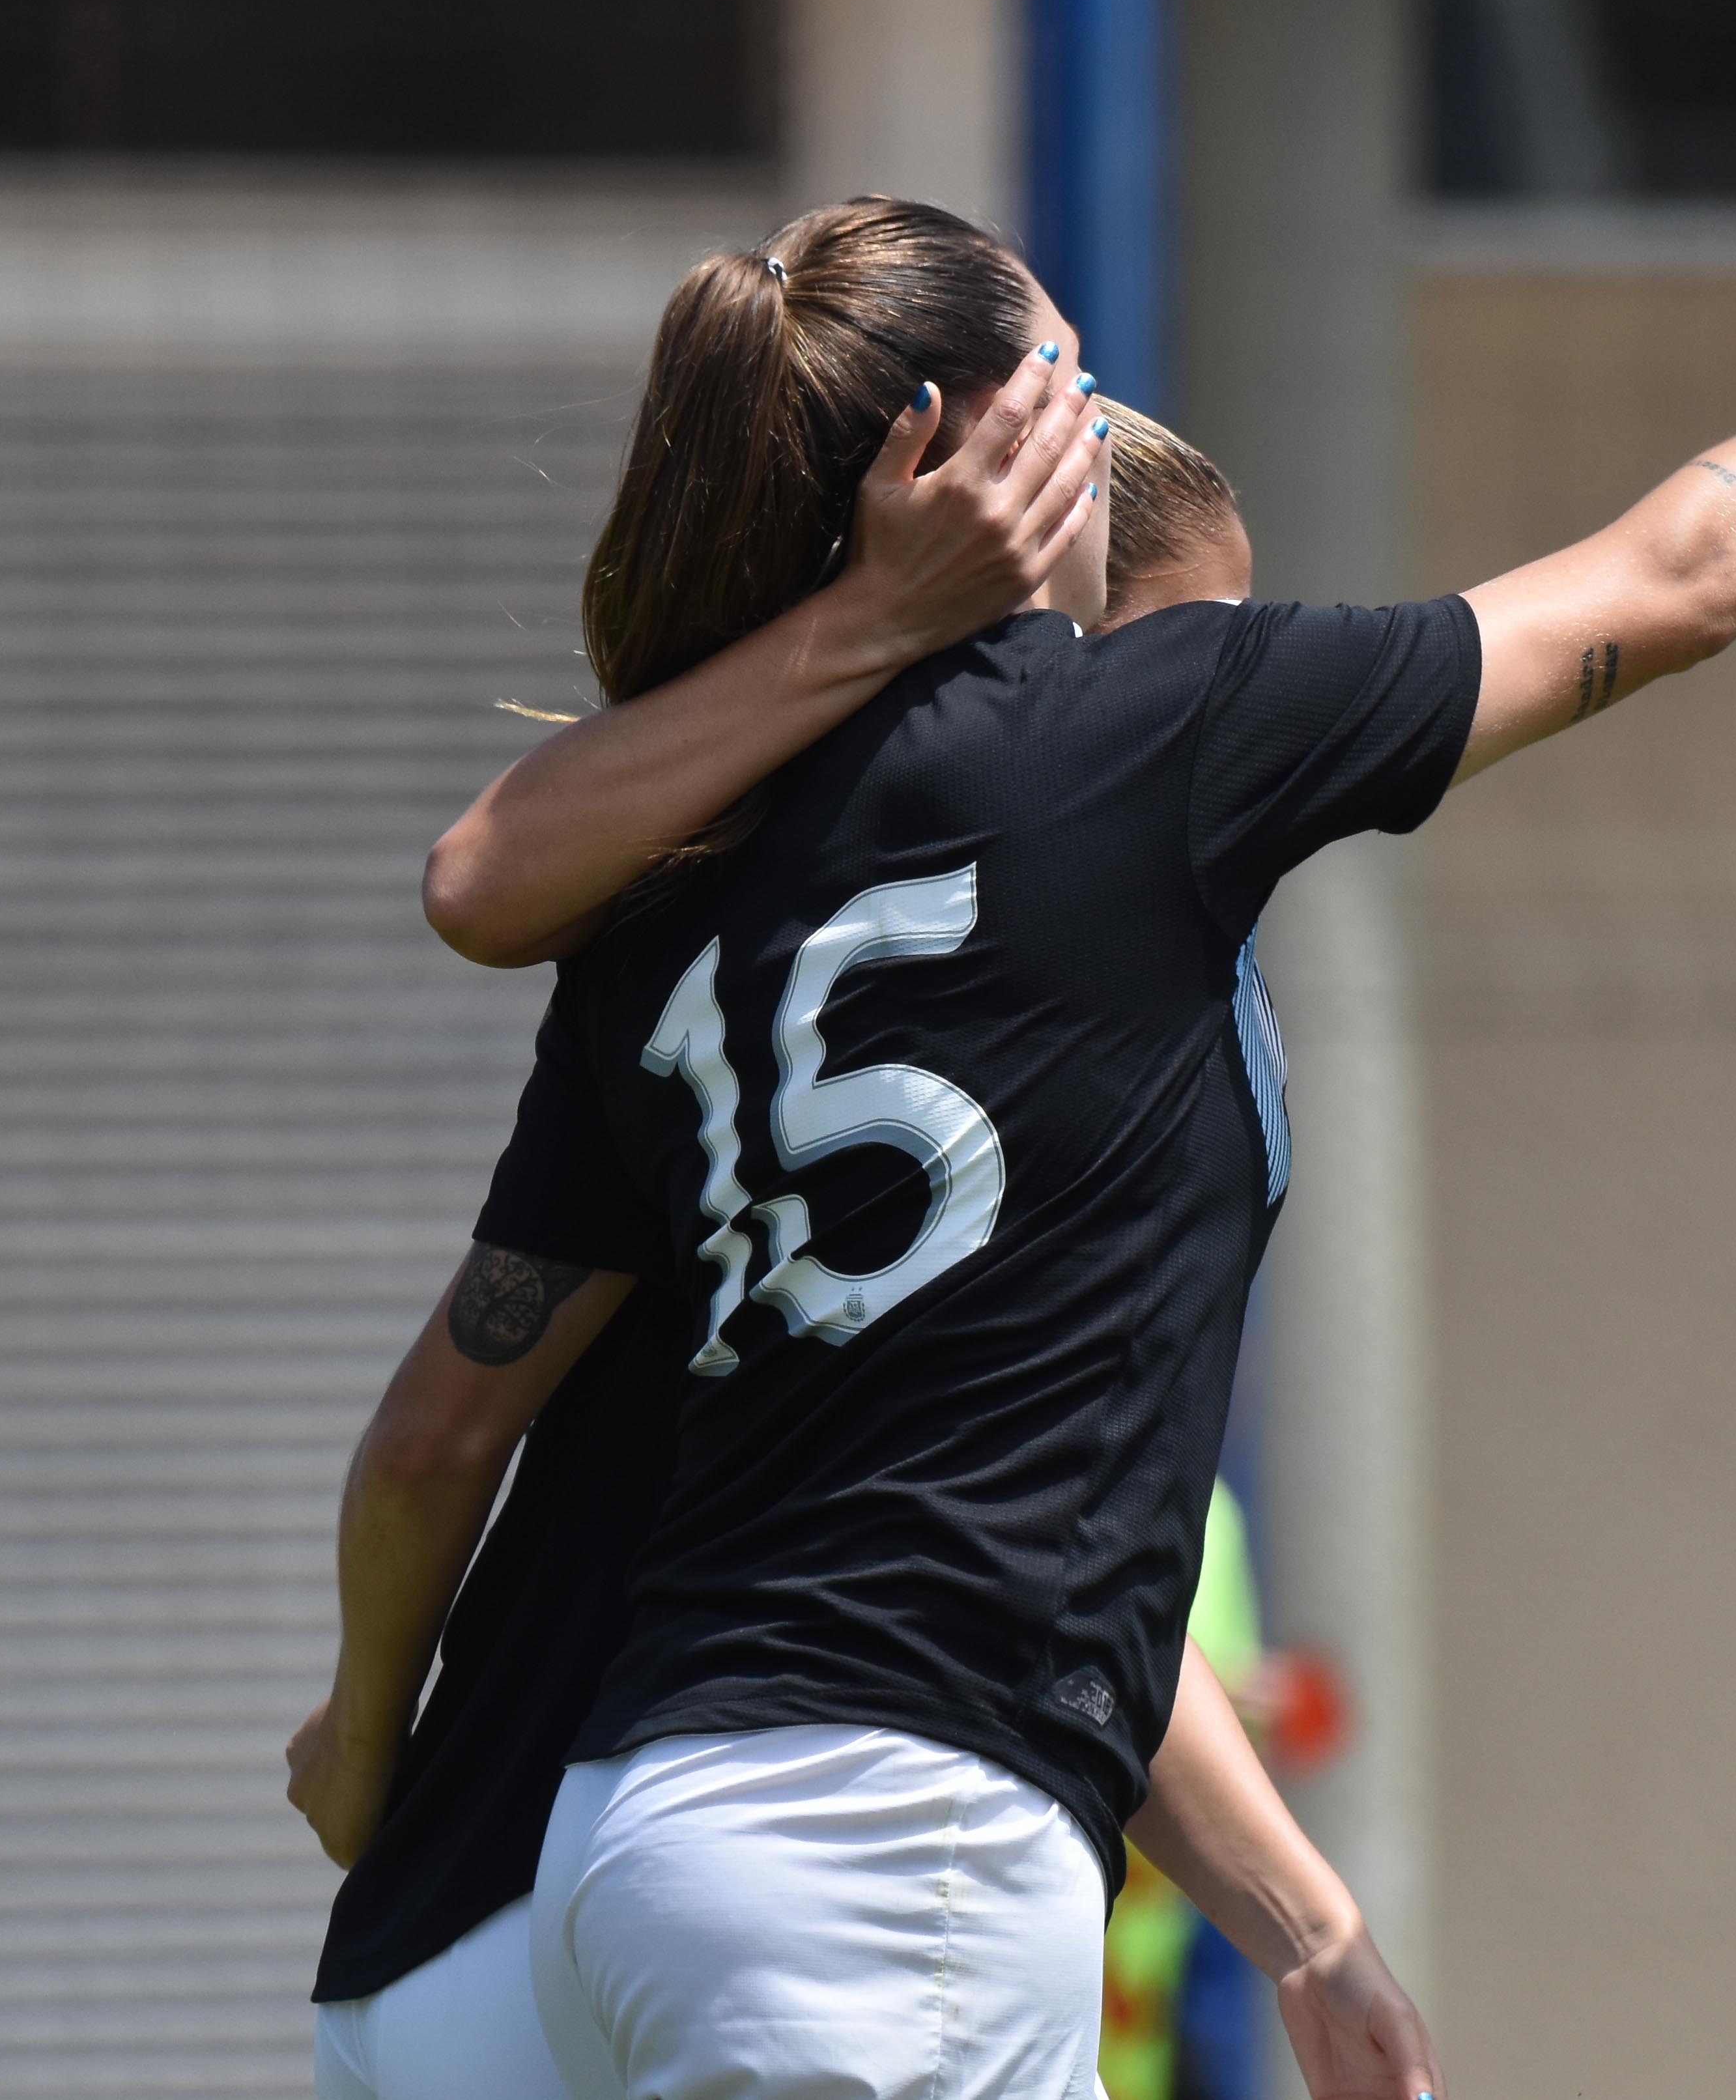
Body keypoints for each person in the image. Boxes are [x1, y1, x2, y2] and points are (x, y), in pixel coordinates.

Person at [405, 165, 1736, 2100]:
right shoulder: (1151, 728)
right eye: (1066, 369)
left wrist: (1307, 1931)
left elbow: (484, 881)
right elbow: (1682, 578)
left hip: (642, 1831)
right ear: (977, 453)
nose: (1098, 408)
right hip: (896, 1841)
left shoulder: (689, 857)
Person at [293, 336, 1423, 2100]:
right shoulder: (1033, 1070)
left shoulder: (695, 937)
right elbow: (977, 1586)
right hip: (771, 1901)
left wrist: (367, 1743)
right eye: (1186, 655)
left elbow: (435, 1437)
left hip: (435, 1955)